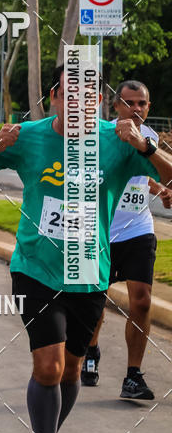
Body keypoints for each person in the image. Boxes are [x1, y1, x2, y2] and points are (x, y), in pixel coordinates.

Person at [0, 63, 172, 433]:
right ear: (54, 97)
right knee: (50, 367)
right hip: (35, 268)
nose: (76, 104)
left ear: (96, 102)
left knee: (73, 371)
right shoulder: (30, 135)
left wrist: (147, 144)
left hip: (88, 272)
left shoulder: (116, 140)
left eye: (87, 97)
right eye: (67, 95)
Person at [81, 80, 172, 398]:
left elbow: (149, 173)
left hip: (138, 229)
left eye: (142, 104)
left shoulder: (150, 140)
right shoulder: (100, 136)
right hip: (101, 231)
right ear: (115, 105)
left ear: (149, 108)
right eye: (130, 103)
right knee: (96, 301)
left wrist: (161, 188)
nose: (136, 109)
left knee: (142, 300)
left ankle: (133, 376)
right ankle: (90, 351)